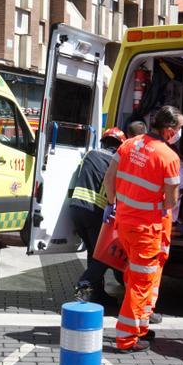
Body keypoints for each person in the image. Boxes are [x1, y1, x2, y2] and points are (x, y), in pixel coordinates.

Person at [104, 106, 183, 353]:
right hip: (146, 229)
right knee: (141, 282)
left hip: (125, 222)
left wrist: (112, 203)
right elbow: (171, 201)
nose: (180, 133)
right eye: (180, 128)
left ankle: (141, 325)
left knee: (140, 276)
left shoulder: (130, 144)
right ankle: (127, 338)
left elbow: (109, 178)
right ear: (169, 131)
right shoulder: (169, 158)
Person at [70, 128, 127, 305]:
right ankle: (84, 285)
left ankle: (97, 294)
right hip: (96, 211)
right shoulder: (115, 161)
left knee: (93, 253)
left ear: (104, 142)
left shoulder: (90, 154)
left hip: (76, 207)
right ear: (120, 146)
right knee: (103, 257)